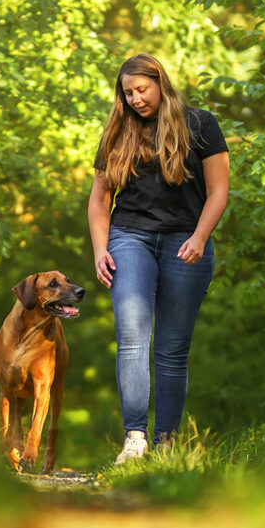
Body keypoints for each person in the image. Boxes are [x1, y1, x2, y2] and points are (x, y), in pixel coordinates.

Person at [87, 53, 230, 464]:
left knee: (172, 349)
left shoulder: (200, 124)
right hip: (130, 237)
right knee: (132, 337)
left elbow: (218, 190)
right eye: (127, 92)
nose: (134, 99)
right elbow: (99, 200)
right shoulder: (117, 132)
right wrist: (101, 249)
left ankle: (167, 445)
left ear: (160, 82)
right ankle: (135, 438)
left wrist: (201, 237)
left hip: (186, 240)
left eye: (141, 89)